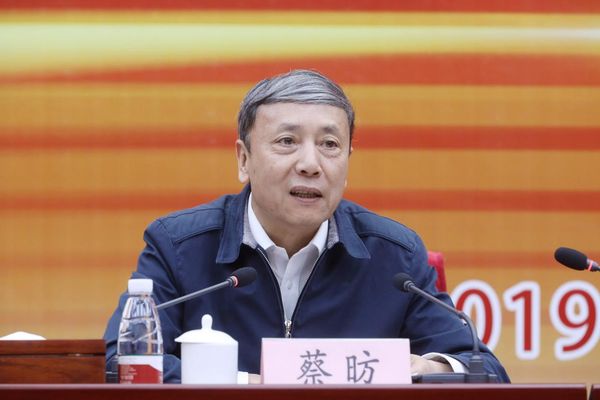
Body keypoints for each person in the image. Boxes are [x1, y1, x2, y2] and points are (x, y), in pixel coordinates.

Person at [104, 69, 510, 383]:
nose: (311, 164)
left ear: (347, 162)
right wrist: (249, 385)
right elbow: (125, 363)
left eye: (330, 145)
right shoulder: (179, 245)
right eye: (287, 142)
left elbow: (484, 370)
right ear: (244, 160)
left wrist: (426, 368)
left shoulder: (394, 255)